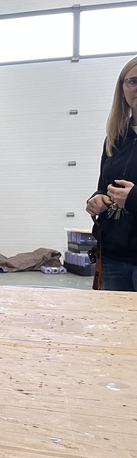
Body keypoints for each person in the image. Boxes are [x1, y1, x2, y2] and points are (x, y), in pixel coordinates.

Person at [86, 56, 137, 291]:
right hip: (113, 256)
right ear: (123, 89)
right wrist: (97, 200)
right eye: (132, 81)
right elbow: (103, 186)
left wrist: (133, 198)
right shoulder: (116, 138)